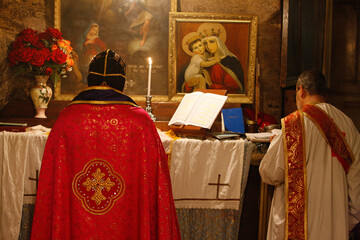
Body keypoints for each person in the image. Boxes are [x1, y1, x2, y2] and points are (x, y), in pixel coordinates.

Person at [30, 49, 181, 240]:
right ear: (121, 83)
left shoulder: (67, 119)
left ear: (90, 80)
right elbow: (156, 187)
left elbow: (52, 185)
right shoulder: (140, 122)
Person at [259, 70, 360, 240]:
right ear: (324, 95)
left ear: (301, 90)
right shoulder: (348, 124)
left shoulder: (294, 124)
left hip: (299, 227)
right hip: (336, 225)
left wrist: (274, 144)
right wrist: (343, 223)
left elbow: (269, 173)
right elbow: (356, 186)